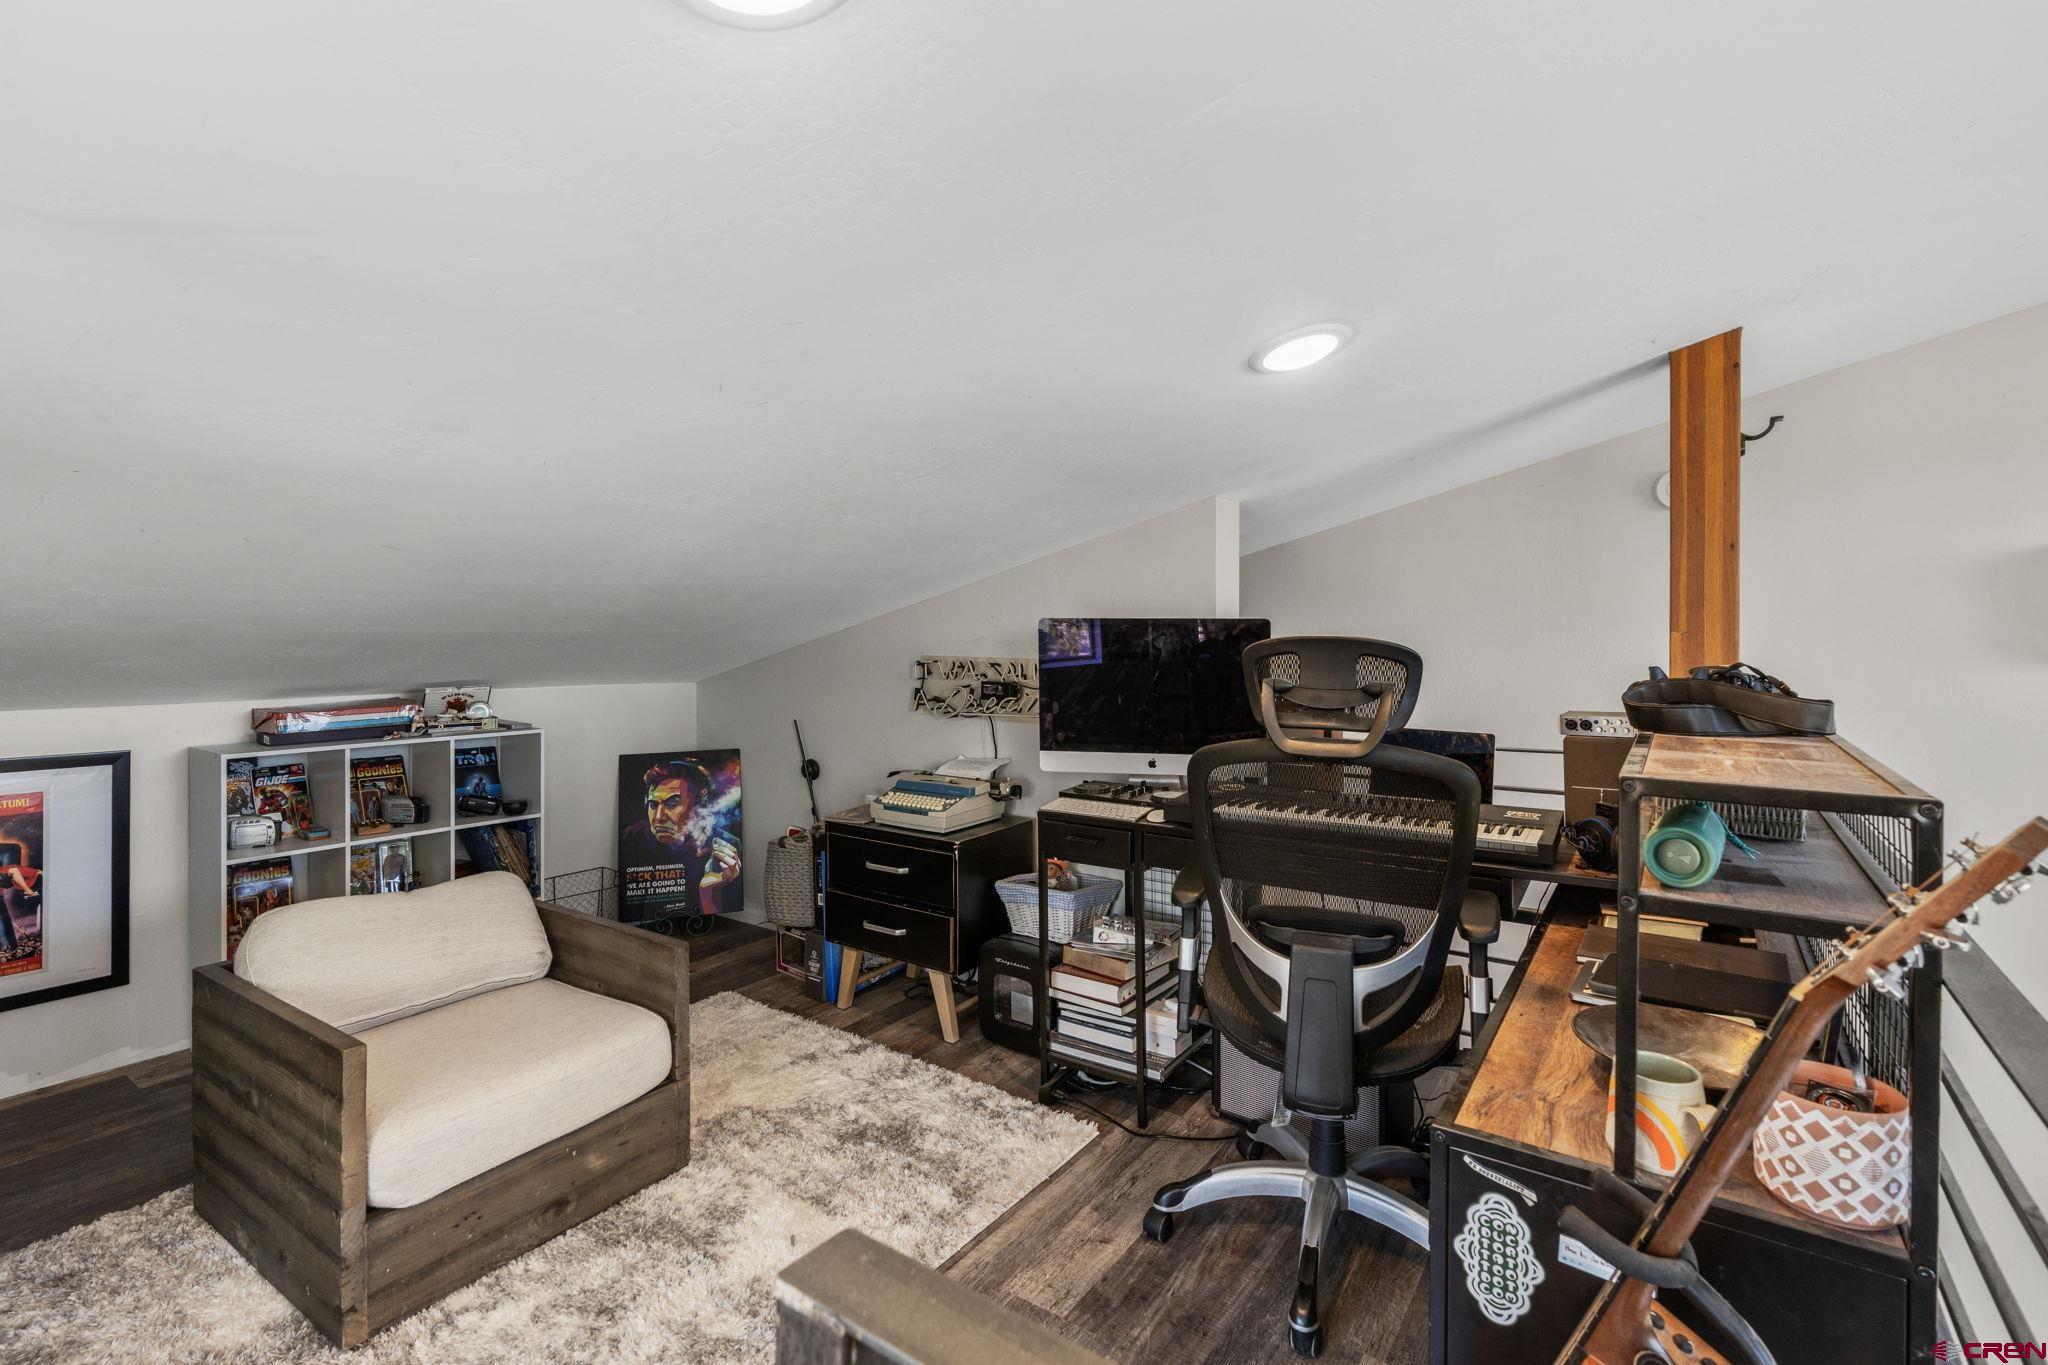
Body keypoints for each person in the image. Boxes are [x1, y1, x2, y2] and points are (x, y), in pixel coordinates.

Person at [624, 760, 738, 918]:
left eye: (672, 803)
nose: (659, 818)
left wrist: (708, 892)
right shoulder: (634, 836)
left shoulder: (725, 848)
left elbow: (722, 921)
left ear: (701, 802)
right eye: (653, 805)